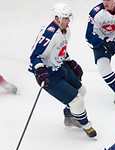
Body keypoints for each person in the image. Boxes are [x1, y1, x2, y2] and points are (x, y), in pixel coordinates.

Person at [29, 3, 97, 138]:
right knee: (77, 101)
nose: (68, 21)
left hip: (60, 67)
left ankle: (70, 116)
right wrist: (40, 72)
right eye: (66, 18)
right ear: (57, 18)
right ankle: (86, 125)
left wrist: (69, 61)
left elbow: (60, 49)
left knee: (81, 91)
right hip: (47, 74)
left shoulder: (66, 31)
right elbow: (35, 56)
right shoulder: (49, 34)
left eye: (68, 17)